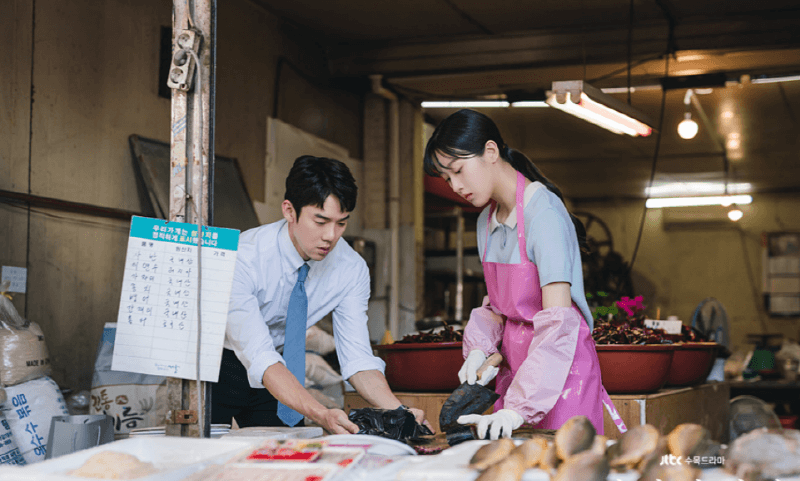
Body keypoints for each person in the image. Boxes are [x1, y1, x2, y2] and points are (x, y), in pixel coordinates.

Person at [423, 109, 627, 440]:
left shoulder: (542, 213)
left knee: (564, 476)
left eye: (458, 171)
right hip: (517, 374)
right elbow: (497, 308)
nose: (456, 186)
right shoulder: (485, 222)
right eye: (447, 179)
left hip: (560, 375)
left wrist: (520, 406)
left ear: (490, 152)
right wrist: (479, 347)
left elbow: (559, 322)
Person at [213, 155, 427, 434]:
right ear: (289, 211)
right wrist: (320, 412)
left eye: (341, 223)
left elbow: (357, 358)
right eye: (321, 221)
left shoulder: (350, 269)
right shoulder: (243, 257)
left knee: (286, 459)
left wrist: (400, 413)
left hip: (281, 367)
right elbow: (257, 353)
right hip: (217, 365)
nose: (331, 236)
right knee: (202, 458)